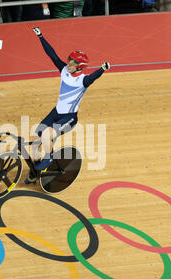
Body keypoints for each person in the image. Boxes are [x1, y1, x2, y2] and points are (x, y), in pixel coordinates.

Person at [27, 26, 111, 177]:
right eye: (68, 62)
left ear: (80, 67)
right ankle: (35, 172)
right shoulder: (65, 70)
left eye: (72, 64)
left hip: (69, 118)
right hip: (56, 112)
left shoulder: (83, 80)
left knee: (46, 135)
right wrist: (41, 36)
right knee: (35, 140)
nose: (68, 65)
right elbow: (52, 55)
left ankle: (49, 157)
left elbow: (93, 77)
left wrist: (102, 69)